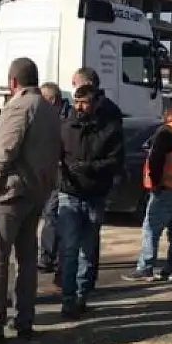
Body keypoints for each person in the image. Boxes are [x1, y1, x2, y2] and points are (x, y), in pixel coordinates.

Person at [0, 58, 61, 343]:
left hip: (9, 195)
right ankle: (24, 319)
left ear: (12, 82)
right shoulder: (48, 109)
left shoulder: (19, 107)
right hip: (34, 194)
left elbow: (1, 152)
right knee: (26, 260)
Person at [58, 83, 124, 319]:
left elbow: (116, 162)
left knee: (87, 251)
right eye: (77, 102)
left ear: (95, 102)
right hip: (70, 195)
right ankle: (68, 300)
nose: (80, 107)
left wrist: (90, 168)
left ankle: (81, 297)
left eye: (84, 102)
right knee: (69, 250)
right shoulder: (66, 128)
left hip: (95, 196)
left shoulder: (110, 129)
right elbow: (56, 156)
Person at [122, 97, 172, 282]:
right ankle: (171, 268)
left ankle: (145, 267)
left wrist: (155, 183)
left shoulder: (167, 131)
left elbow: (156, 159)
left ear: (167, 112)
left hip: (168, 187)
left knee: (151, 227)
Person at [71, 67, 123, 288]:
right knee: (79, 238)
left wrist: (87, 167)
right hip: (74, 184)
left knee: (88, 238)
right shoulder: (76, 116)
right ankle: (76, 281)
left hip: (94, 183)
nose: (75, 91)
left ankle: (84, 283)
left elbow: (110, 152)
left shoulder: (106, 113)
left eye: (76, 84)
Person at [38, 82, 73, 276]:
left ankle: (51, 257)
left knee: (56, 215)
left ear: (51, 100)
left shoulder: (68, 117)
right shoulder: (47, 116)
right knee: (51, 214)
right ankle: (49, 256)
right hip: (51, 171)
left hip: (64, 173)